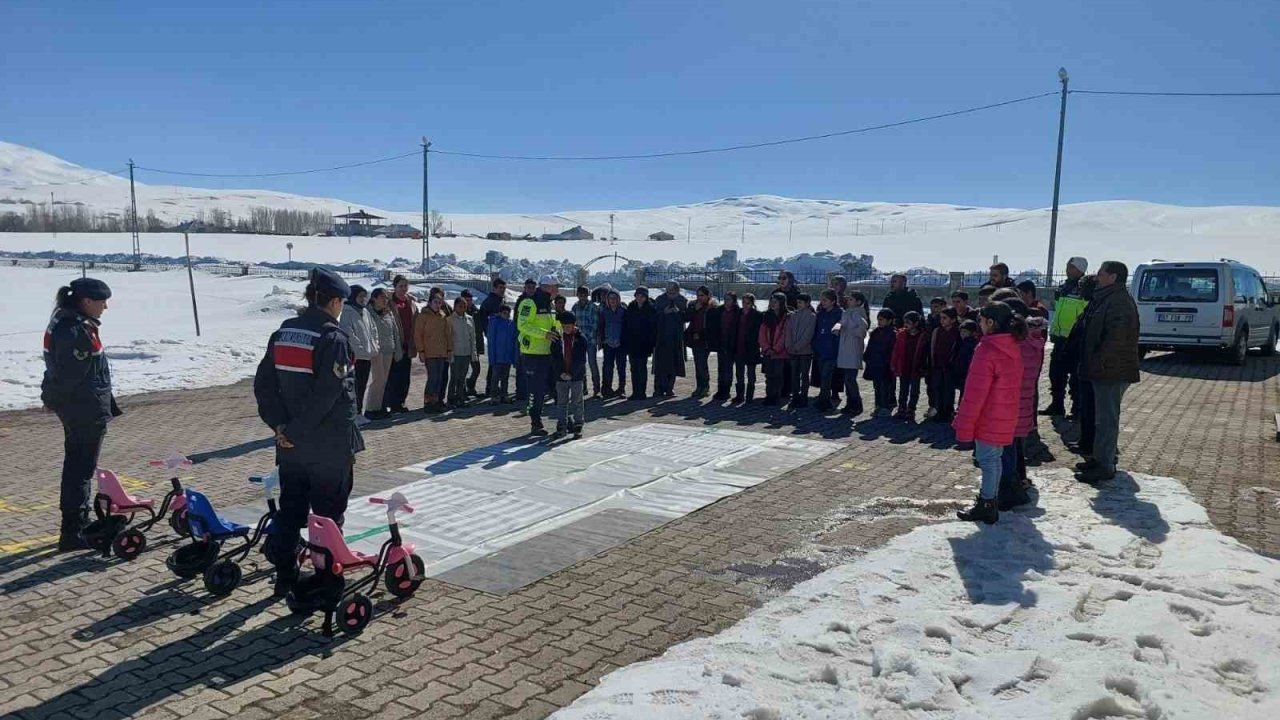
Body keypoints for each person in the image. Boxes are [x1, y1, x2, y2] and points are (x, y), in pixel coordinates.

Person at [254, 268, 364, 591]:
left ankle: (285, 577)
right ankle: (327, 583)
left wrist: (280, 427)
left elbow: (264, 386)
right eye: (341, 303)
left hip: (291, 449)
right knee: (327, 519)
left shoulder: (283, 333)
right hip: (328, 450)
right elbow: (327, 397)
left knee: (291, 512)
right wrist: (294, 431)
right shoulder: (333, 339)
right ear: (334, 302)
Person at [42, 277, 121, 550]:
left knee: (79, 467)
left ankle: (77, 524)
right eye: (102, 302)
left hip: (83, 406)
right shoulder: (74, 331)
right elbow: (68, 377)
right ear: (86, 301)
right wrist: (53, 398)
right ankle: (73, 531)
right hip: (83, 409)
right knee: (79, 470)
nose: (105, 307)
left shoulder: (73, 324)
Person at [952, 301, 1025, 524]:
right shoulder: (1012, 345)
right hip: (1005, 412)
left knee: (988, 461)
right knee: (995, 459)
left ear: (991, 322)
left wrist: (964, 425)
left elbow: (975, 394)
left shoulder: (987, 349)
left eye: (981, 321)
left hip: (988, 415)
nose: (979, 325)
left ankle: (987, 503)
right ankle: (989, 500)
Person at [1077, 261, 1140, 484]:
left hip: (1111, 371)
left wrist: (1100, 362)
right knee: (1100, 419)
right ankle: (1099, 458)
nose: (1097, 277)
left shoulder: (1119, 301)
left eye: (1101, 273)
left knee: (1107, 420)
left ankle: (1105, 465)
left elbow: (1116, 339)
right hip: (1102, 369)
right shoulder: (1105, 298)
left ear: (1113, 277)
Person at [1043, 257, 1088, 417]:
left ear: (1080, 269)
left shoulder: (1085, 288)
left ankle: (1077, 408)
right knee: (1056, 374)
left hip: (1076, 339)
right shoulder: (1064, 286)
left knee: (1076, 377)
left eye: (1071, 267)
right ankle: (1057, 405)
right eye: (1068, 266)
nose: (1068, 269)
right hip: (1060, 338)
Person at [517, 275, 561, 435]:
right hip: (533, 354)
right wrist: (544, 334)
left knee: (557, 387)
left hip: (548, 352)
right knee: (536, 391)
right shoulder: (529, 302)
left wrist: (562, 329)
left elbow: (554, 324)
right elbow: (522, 325)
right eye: (556, 287)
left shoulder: (550, 304)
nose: (558, 290)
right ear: (548, 287)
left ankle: (564, 420)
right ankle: (535, 422)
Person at [1065, 275, 1099, 455]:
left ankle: (1089, 445)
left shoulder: (1097, 306)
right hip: (1082, 362)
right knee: (1086, 407)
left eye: (1082, 286)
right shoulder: (1091, 306)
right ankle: (1086, 442)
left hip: (1090, 365)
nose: (1079, 290)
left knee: (1090, 409)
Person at [338, 285, 377, 423]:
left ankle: (359, 412)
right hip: (356, 357)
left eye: (364, 296)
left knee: (362, 385)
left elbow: (373, 330)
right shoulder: (347, 312)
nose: (363, 299)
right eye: (360, 296)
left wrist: (375, 346)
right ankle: (353, 414)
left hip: (367, 355)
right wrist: (360, 349)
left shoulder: (365, 311)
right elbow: (349, 333)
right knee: (355, 387)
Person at [364, 288, 402, 420]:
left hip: (388, 350)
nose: (385, 300)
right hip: (376, 351)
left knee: (384, 381)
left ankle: (380, 407)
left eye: (386, 297)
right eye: (382, 297)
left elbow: (395, 332)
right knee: (378, 380)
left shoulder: (388, 313)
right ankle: (370, 408)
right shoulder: (367, 313)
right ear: (374, 298)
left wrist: (398, 349)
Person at [551, 311, 588, 438]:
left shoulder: (581, 339)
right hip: (561, 376)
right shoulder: (557, 339)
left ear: (574, 325)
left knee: (577, 400)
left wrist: (572, 374)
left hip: (576, 376)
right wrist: (560, 372)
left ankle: (578, 424)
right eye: (564, 326)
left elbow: (581, 360)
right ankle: (562, 425)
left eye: (569, 326)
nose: (566, 329)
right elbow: (554, 358)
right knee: (561, 402)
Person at [414, 294, 451, 413]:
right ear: (430, 302)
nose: (437, 305)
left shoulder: (443, 316)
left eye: (440, 302)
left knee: (439, 378)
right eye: (435, 302)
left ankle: (435, 401)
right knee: (432, 377)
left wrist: (449, 349)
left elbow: (447, 334)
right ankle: (428, 402)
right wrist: (421, 350)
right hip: (429, 352)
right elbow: (418, 334)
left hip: (441, 352)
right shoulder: (423, 316)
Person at [385, 275, 417, 414]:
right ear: (395, 287)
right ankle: (391, 403)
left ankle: (401, 402)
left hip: (408, 343)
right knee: (394, 375)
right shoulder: (389, 302)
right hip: (395, 343)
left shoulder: (411, 302)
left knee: (405, 375)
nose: (403, 289)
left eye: (405, 286)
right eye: (400, 286)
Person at [834, 291, 869, 416]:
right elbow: (842, 323)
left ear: (858, 302)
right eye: (848, 299)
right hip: (845, 348)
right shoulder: (847, 312)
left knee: (850, 379)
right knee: (847, 379)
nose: (848, 301)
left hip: (853, 349)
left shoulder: (859, 313)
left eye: (851, 299)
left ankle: (856, 403)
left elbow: (862, 330)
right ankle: (850, 403)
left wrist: (850, 330)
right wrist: (838, 327)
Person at [890, 310, 928, 420]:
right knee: (903, 389)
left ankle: (911, 409)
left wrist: (924, 367)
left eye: (908, 322)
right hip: (904, 366)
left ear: (916, 323)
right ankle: (902, 408)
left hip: (916, 367)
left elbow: (925, 353)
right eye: (904, 322)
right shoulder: (901, 334)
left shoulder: (923, 336)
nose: (905, 325)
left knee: (915, 390)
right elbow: (896, 351)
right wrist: (894, 363)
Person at [653, 281, 688, 398]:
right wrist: (664, 313)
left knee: (673, 364)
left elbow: (686, 317)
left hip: (675, 337)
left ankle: (669, 388)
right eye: (668, 292)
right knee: (660, 364)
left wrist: (678, 313)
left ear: (677, 292)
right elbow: (654, 316)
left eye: (673, 292)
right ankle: (658, 388)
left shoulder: (682, 301)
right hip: (662, 337)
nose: (670, 294)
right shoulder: (660, 300)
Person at [623, 287, 657, 400]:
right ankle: (635, 391)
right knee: (633, 368)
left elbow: (653, 327)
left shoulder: (650, 308)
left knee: (641, 368)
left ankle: (641, 392)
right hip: (632, 343)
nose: (639, 298)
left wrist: (650, 342)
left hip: (644, 344)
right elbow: (626, 324)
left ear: (646, 297)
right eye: (638, 295)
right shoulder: (631, 307)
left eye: (642, 296)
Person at [928, 308, 961, 423]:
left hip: (950, 366)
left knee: (948, 390)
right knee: (937, 389)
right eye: (941, 318)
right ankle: (939, 411)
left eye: (944, 318)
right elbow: (933, 347)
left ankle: (948, 412)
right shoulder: (937, 331)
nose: (942, 320)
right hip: (938, 365)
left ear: (953, 319)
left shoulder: (957, 332)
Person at [684, 286, 718, 398]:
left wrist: (701, 334)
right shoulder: (693, 305)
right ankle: (699, 386)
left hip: (705, 339)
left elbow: (712, 326)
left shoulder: (712, 308)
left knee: (702, 363)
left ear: (708, 296)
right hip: (694, 338)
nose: (699, 298)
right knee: (697, 363)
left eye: (702, 295)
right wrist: (694, 309)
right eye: (698, 295)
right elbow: (686, 318)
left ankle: (705, 386)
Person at [812, 289, 842, 411]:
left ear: (833, 301)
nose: (822, 302)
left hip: (832, 350)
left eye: (825, 300)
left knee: (826, 375)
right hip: (820, 349)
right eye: (821, 300)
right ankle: (823, 398)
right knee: (822, 376)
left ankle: (825, 400)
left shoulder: (839, 314)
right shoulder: (820, 314)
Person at [785, 293, 817, 409]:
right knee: (794, 375)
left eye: (801, 302)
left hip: (805, 352)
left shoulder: (812, 317)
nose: (798, 304)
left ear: (807, 303)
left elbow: (808, 335)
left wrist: (797, 346)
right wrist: (789, 345)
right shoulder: (793, 316)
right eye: (797, 302)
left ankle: (804, 397)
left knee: (804, 375)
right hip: (793, 351)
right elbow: (788, 331)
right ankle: (795, 397)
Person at [758, 293, 790, 406]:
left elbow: (785, 335)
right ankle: (769, 396)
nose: (772, 304)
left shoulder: (786, 317)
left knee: (778, 375)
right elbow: (762, 334)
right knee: (769, 375)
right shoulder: (766, 316)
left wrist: (776, 349)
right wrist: (766, 348)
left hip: (780, 352)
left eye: (775, 302)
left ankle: (776, 396)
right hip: (767, 351)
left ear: (781, 303)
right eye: (771, 301)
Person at [864, 308, 897, 416]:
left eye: (882, 320)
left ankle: (885, 406)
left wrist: (890, 362)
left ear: (889, 320)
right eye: (878, 319)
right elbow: (870, 346)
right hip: (875, 363)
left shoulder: (893, 334)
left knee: (885, 386)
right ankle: (878, 405)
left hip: (886, 365)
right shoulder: (875, 332)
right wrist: (867, 356)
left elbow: (893, 351)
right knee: (877, 386)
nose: (879, 322)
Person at [478, 278, 507, 396]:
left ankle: (493, 386)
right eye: (500, 288)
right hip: (494, 337)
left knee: (498, 363)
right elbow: (483, 320)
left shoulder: (501, 301)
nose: (502, 290)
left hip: (502, 337)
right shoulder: (489, 302)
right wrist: (489, 333)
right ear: (494, 288)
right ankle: (490, 387)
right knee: (494, 363)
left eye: (504, 288)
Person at [572, 285, 602, 397]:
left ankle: (596, 388)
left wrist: (584, 336)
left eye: (585, 295)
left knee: (592, 363)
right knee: (580, 364)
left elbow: (595, 325)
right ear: (577, 295)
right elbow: (573, 324)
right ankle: (583, 388)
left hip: (590, 340)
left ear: (588, 295)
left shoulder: (593, 307)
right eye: (581, 295)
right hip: (578, 341)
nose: (583, 297)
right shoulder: (575, 307)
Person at [711, 291, 741, 401]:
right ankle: (720, 390)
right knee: (721, 368)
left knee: (728, 369)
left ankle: (726, 391)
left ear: (734, 301)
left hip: (732, 344)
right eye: (725, 299)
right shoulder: (720, 310)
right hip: (721, 343)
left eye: (729, 299)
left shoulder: (738, 312)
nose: (726, 302)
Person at [447, 298, 476, 407]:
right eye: (460, 306)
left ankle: (460, 397)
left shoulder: (470, 319)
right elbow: (448, 338)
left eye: (464, 306)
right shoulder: (450, 320)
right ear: (455, 307)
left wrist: (473, 353)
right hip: (456, 353)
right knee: (454, 377)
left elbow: (472, 337)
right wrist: (450, 353)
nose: (462, 308)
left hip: (466, 352)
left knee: (462, 377)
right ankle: (451, 398)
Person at [485, 304, 517, 403]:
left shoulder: (511, 324)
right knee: (495, 377)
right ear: (499, 313)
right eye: (504, 313)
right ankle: (494, 396)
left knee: (505, 377)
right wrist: (492, 357)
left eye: (508, 313)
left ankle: (504, 394)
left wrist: (514, 357)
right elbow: (491, 341)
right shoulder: (494, 323)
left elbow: (514, 341)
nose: (507, 315)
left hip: (507, 356)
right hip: (497, 356)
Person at [513, 279, 536, 412]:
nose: (531, 289)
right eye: (529, 287)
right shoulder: (522, 301)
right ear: (524, 288)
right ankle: (521, 392)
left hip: (536, 338)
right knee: (522, 365)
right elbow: (518, 320)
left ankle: (532, 392)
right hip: (523, 336)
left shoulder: (538, 300)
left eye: (533, 287)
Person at [735, 293, 763, 403]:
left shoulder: (757, 315)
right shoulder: (738, 313)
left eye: (747, 303)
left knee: (751, 374)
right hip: (739, 347)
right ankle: (739, 395)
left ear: (752, 303)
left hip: (752, 348)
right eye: (743, 303)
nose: (745, 305)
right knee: (739, 373)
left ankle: (749, 396)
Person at [599, 289, 627, 398]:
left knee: (621, 367)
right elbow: (601, 327)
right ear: (607, 300)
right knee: (607, 367)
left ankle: (621, 388)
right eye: (610, 298)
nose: (612, 300)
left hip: (621, 344)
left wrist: (624, 341)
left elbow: (627, 327)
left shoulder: (623, 311)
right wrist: (603, 340)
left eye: (615, 298)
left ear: (618, 299)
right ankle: (606, 389)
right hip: (608, 343)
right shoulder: (604, 312)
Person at [460, 289, 483, 397]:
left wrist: (480, 346)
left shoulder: (476, 311)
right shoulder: (459, 312)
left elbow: (479, 330)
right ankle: (462, 391)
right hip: (463, 346)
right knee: (463, 371)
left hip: (474, 346)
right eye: (466, 300)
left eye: (470, 300)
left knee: (477, 369)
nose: (468, 302)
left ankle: (471, 385)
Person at [951, 319, 979, 399]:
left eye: (965, 332)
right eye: (961, 332)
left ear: (973, 333)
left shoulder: (970, 344)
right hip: (963, 374)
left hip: (966, 374)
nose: (962, 334)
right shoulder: (962, 343)